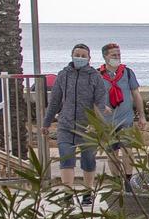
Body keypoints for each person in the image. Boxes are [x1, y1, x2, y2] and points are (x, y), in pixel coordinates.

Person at [43, 42, 105, 197]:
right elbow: (55, 101)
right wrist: (46, 122)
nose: (80, 58)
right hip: (66, 124)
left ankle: (87, 192)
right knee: (66, 158)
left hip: (87, 126)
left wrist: (96, 124)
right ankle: (67, 194)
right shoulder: (63, 75)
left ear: (89, 58)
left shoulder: (95, 77)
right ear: (71, 55)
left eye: (83, 56)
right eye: (77, 55)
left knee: (89, 160)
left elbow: (100, 102)